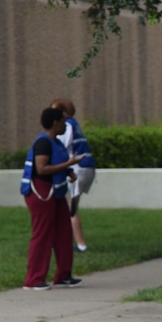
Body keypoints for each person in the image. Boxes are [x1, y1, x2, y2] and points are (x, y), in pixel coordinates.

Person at [20, 107, 84, 291]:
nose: (66, 125)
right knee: (42, 234)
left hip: (55, 192)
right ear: (55, 123)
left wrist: (69, 171)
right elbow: (42, 168)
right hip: (41, 192)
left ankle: (63, 275)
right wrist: (68, 164)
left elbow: (57, 163)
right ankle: (33, 279)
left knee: (64, 231)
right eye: (64, 122)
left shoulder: (56, 142)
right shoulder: (43, 143)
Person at [50, 99, 97, 252]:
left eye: (54, 110)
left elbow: (61, 147)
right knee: (71, 207)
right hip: (86, 168)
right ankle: (70, 242)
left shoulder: (66, 126)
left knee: (70, 209)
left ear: (63, 112)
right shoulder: (74, 124)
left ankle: (80, 245)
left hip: (77, 169)